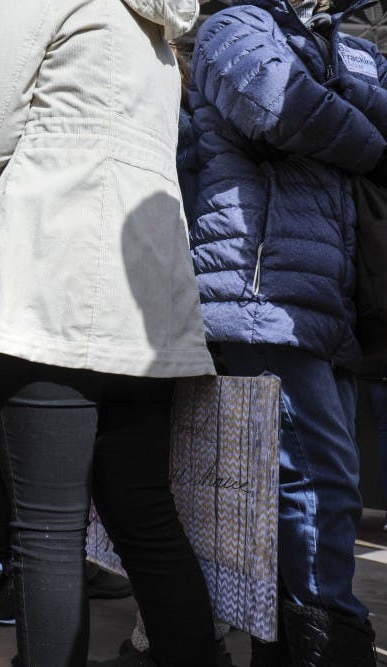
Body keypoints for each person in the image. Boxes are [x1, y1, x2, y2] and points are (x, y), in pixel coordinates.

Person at [0, 1, 218, 666]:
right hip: (143, 300)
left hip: (51, 281)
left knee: (46, 533)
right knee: (144, 516)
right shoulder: (157, 24)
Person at [188, 0, 386, 662]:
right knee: (319, 485)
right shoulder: (233, 25)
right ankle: (330, 639)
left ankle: (293, 642)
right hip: (262, 294)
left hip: (329, 304)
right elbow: (281, 106)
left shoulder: (340, 45)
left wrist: (340, 92)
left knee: (304, 490)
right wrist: (375, 146)